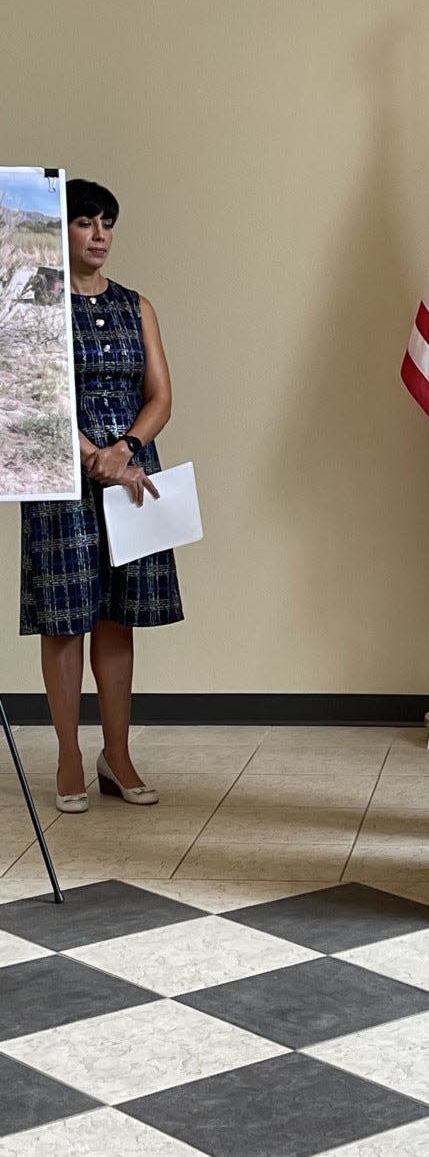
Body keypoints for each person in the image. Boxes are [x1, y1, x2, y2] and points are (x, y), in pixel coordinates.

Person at [20, 179, 182, 813]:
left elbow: (161, 396)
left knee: (118, 615)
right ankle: (66, 756)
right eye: (85, 222)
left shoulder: (136, 305)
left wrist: (126, 454)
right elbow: (33, 390)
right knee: (66, 621)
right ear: (60, 232)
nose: (99, 234)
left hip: (131, 475)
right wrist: (92, 456)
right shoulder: (34, 298)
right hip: (61, 475)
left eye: (106, 223)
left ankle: (116, 754)